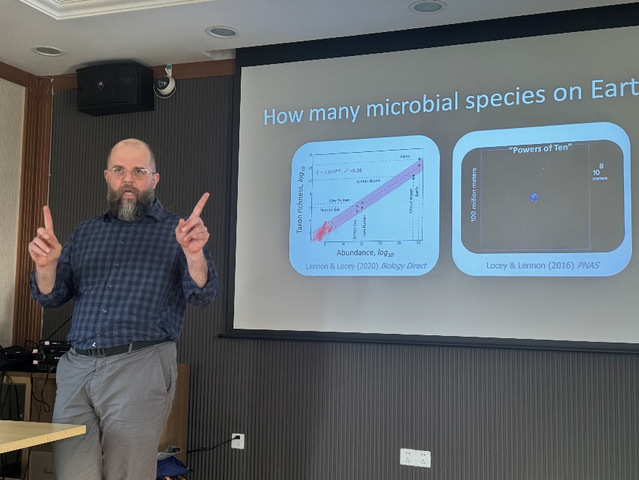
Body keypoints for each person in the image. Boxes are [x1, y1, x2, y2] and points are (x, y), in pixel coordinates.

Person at [28, 138, 219, 480]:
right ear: (107, 176)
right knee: (70, 473)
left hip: (139, 364)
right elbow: (52, 297)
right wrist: (45, 267)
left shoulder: (178, 231)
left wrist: (194, 255)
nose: (128, 179)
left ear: (154, 179)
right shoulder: (86, 232)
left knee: (127, 474)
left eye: (138, 171)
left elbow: (203, 295)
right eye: (119, 170)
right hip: (77, 368)